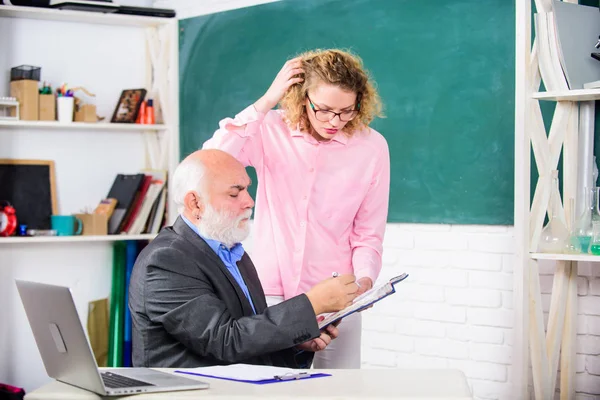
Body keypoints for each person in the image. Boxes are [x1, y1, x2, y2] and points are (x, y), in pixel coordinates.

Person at [203, 48, 390, 369]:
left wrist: (364, 281)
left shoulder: (372, 147)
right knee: (271, 388)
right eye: (325, 110)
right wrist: (265, 102)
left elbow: (368, 233)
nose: (335, 121)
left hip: (339, 296)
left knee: (340, 392)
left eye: (347, 111)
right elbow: (211, 161)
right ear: (303, 98)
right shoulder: (270, 129)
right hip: (273, 293)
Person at [128, 149, 359, 368]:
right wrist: (313, 303)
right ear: (195, 203)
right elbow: (224, 341)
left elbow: (248, 336)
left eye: (247, 190)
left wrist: (295, 341)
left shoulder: (233, 253)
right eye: (234, 193)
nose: (249, 201)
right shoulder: (167, 260)